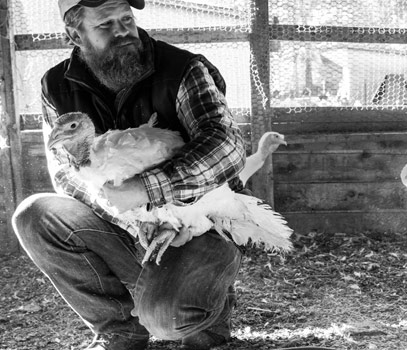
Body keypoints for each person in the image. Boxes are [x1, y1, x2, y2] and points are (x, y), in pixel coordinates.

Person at [11, 1, 249, 349]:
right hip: (127, 222)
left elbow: (227, 146)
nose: (123, 30)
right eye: (105, 25)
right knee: (36, 215)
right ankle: (120, 331)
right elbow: (65, 172)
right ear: (75, 35)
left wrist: (148, 190)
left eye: (126, 19)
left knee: (170, 319)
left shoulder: (182, 68)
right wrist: (135, 219)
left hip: (203, 220)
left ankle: (204, 315)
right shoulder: (56, 85)